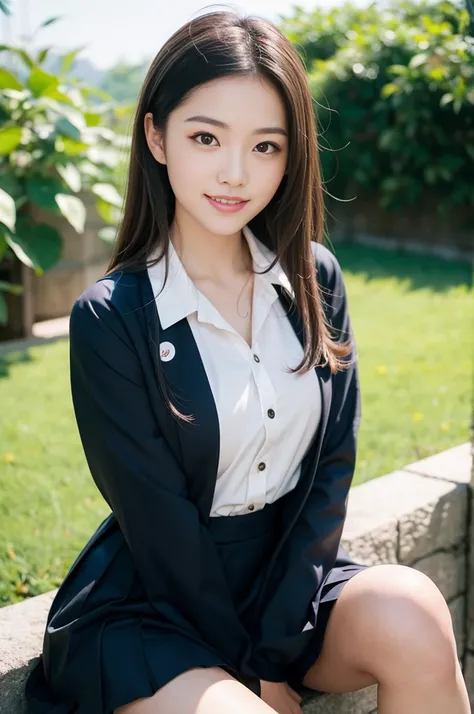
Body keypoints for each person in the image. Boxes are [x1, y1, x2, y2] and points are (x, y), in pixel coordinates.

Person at [25, 9, 470, 714]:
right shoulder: (113, 320)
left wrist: (273, 645)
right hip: (157, 603)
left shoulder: (315, 277)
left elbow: (330, 469)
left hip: (287, 578)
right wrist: (252, 675)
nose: (236, 173)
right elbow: (161, 528)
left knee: (413, 612)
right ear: (156, 136)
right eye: (206, 137)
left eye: (266, 147)